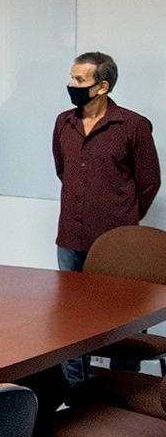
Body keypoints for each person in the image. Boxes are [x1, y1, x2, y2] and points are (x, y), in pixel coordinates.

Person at [53, 51, 160, 385]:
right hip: (71, 237)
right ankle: (75, 391)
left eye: (79, 80)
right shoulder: (64, 122)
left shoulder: (133, 125)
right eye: (71, 77)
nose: (71, 85)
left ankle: (123, 389)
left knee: (123, 320)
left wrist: (121, 219)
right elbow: (63, 170)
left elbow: (149, 182)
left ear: (102, 86)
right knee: (71, 321)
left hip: (118, 247)